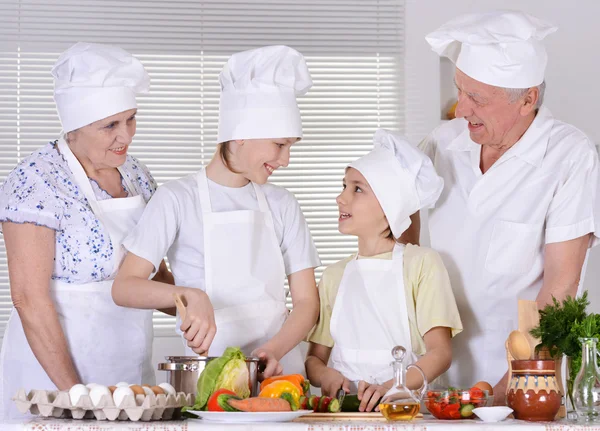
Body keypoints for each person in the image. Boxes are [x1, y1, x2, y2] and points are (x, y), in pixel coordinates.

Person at [412, 10, 600, 397]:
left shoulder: (568, 155)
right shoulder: (443, 142)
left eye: (476, 98)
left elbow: (560, 286)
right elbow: (398, 235)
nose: (461, 108)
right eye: (460, 91)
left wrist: (506, 388)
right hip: (435, 368)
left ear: (527, 99)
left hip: (526, 377)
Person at [112, 45, 321, 378]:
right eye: (279, 145)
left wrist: (273, 351)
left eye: (290, 147)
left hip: (279, 376)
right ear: (239, 136)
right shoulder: (177, 199)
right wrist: (187, 295)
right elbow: (124, 287)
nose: (285, 160)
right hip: (208, 378)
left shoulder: (284, 205)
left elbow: (307, 304)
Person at [0, 42, 171, 419]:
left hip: (127, 378)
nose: (125, 136)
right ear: (75, 126)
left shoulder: (137, 175)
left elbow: (153, 275)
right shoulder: (37, 181)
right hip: (52, 383)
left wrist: (192, 303)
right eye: (110, 125)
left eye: (131, 119)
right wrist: (76, 399)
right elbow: (29, 299)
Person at [305, 129, 462, 412]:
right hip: (343, 414)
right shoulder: (334, 275)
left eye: (357, 189)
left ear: (389, 206)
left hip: (402, 413)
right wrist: (326, 376)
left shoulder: (422, 264)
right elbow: (314, 360)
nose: (340, 198)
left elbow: (440, 353)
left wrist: (394, 386)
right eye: (343, 186)